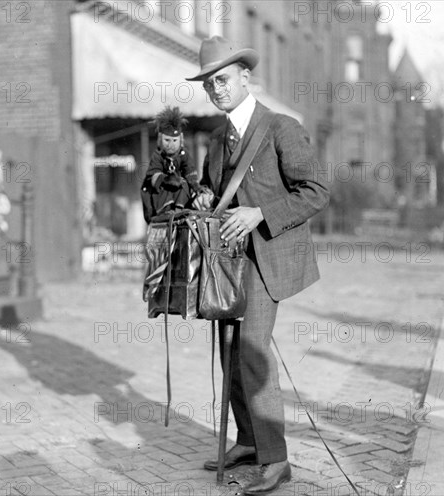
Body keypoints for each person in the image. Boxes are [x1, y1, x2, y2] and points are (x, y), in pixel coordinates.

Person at [187, 36, 330, 494]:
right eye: (209, 84)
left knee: (251, 349)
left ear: (245, 77)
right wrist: (208, 197)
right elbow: (218, 189)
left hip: (267, 258)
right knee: (230, 351)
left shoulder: (281, 128)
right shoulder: (216, 136)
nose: (217, 89)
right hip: (228, 264)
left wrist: (260, 214)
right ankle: (248, 441)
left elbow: (315, 190)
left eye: (223, 79)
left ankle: (277, 459)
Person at [141, 106, 202, 223]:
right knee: (167, 188)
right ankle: (166, 210)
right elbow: (152, 176)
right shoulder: (158, 155)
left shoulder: (184, 154)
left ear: (180, 140)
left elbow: (190, 171)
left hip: (180, 189)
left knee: (184, 184)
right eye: (167, 140)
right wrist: (167, 179)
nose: (171, 145)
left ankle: (180, 209)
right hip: (161, 191)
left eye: (175, 141)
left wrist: (195, 185)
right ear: (160, 139)